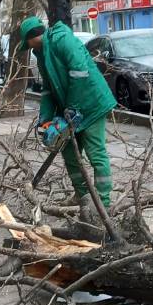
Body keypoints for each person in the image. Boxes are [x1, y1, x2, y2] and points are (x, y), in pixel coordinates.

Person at [18, 16, 116, 210]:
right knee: (70, 153)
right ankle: (82, 195)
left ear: (32, 37)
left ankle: (103, 204)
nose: (28, 47)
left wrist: (72, 106)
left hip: (92, 104)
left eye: (27, 43)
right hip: (71, 109)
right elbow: (48, 89)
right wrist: (45, 117)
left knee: (96, 154)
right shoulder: (41, 55)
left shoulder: (63, 40)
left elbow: (79, 72)